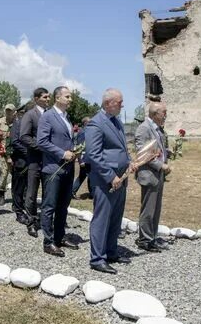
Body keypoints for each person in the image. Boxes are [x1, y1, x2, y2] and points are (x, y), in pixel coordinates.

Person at [85, 88, 135, 274]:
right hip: (106, 180)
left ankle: (111, 251)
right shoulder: (96, 124)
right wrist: (110, 175)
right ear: (107, 103)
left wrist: (129, 162)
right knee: (102, 218)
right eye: (119, 102)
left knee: (115, 218)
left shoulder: (117, 122)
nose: (122, 105)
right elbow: (94, 154)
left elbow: (122, 148)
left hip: (121, 178)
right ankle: (97, 258)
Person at [37, 86, 79, 257]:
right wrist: (62, 153)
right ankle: (48, 242)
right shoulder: (47, 116)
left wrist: (74, 150)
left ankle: (59, 237)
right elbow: (42, 141)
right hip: (53, 168)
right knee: (49, 206)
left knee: (63, 206)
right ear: (57, 98)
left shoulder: (66, 118)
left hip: (68, 169)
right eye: (67, 96)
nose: (70, 99)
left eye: (70, 97)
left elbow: (65, 139)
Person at [134, 102, 171, 253]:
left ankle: (152, 237)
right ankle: (144, 240)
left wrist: (166, 152)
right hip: (149, 174)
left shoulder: (157, 128)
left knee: (156, 209)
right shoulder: (144, 128)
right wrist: (160, 165)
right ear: (155, 113)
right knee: (148, 209)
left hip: (157, 174)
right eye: (164, 112)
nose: (166, 115)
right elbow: (142, 153)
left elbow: (156, 148)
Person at [20, 87, 50, 238]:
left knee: (48, 193)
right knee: (31, 194)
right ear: (36, 98)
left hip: (50, 162)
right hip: (34, 161)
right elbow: (24, 136)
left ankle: (46, 222)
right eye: (45, 97)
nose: (47, 99)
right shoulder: (30, 115)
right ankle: (31, 222)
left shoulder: (50, 115)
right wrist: (42, 146)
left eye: (48, 97)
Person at [10, 102, 32, 224]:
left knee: (29, 188)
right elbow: (15, 142)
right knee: (19, 187)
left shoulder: (32, 123)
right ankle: (18, 211)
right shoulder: (18, 123)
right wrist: (28, 153)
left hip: (32, 162)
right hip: (21, 161)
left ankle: (26, 208)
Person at [0, 104, 17, 206]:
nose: (8, 113)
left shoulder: (18, 123)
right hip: (2, 153)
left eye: (10, 111)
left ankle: (15, 197)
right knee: (2, 175)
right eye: (7, 111)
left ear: (14, 112)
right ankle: (2, 196)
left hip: (15, 154)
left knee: (16, 176)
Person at [72, 116, 92, 199]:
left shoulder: (87, 131)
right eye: (90, 122)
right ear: (86, 123)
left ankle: (92, 193)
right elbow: (79, 147)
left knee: (86, 176)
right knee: (86, 176)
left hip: (88, 158)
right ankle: (72, 191)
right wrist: (80, 160)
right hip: (84, 158)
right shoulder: (82, 132)